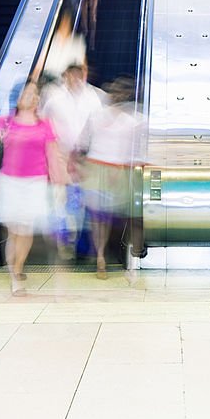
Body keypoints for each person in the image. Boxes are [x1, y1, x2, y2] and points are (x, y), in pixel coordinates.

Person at [0, 82, 64, 294]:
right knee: (15, 231)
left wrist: (59, 182)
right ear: (17, 98)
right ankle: (14, 274)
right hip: (10, 182)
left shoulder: (45, 124)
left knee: (25, 230)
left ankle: (17, 268)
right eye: (27, 93)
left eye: (35, 94)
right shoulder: (5, 122)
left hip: (35, 183)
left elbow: (53, 155)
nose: (32, 97)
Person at [75, 78, 146, 279]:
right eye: (115, 91)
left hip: (120, 171)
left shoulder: (136, 120)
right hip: (97, 169)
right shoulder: (97, 116)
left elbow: (139, 150)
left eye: (123, 92)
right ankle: (100, 258)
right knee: (99, 218)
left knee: (124, 218)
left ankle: (130, 257)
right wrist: (81, 167)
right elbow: (82, 142)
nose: (118, 95)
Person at [39, 63, 107, 259]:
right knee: (62, 200)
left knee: (83, 200)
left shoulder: (95, 96)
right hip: (60, 155)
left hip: (87, 157)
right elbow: (44, 123)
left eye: (80, 75)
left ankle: (81, 245)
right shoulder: (53, 96)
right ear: (65, 75)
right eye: (72, 75)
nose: (76, 78)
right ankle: (64, 239)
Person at [43, 11, 87, 80]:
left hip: (66, 83)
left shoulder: (78, 42)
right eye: (63, 22)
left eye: (68, 23)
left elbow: (83, 69)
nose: (65, 25)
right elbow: (39, 66)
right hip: (46, 79)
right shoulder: (48, 39)